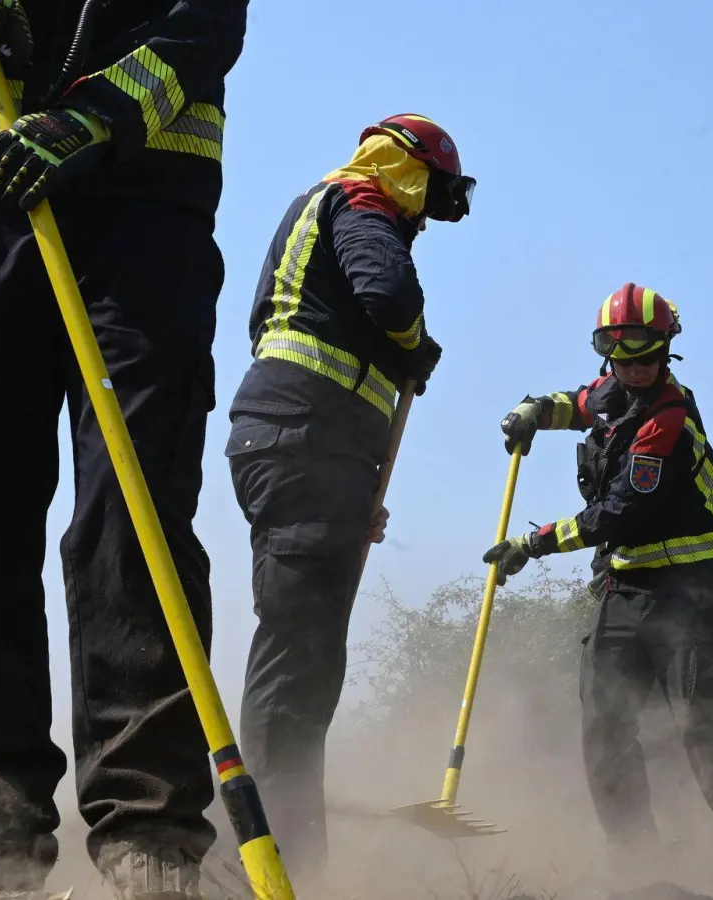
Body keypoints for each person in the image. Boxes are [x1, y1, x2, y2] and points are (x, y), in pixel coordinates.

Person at [0, 1, 247, 897]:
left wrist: (94, 120)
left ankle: (150, 834)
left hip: (145, 205)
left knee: (133, 511)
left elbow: (205, 26)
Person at [483, 283, 713, 898]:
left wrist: (533, 545)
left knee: (706, 734)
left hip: (687, 602)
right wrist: (538, 409)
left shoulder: (668, 419)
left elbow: (619, 512)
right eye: (620, 353)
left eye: (647, 354)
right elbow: (582, 403)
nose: (635, 367)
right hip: (625, 593)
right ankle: (635, 869)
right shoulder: (616, 388)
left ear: (667, 352)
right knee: (605, 727)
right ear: (605, 352)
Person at [223, 114, 473, 885]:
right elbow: (390, 296)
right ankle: (266, 859)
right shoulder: (363, 206)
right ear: (408, 172)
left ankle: (279, 850)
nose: (424, 217)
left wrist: (350, 484)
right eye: (429, 197)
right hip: (306, 444)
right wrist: (417, 343)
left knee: (304, 657)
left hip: (305, 449)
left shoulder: (315, 212)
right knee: (296, 665)